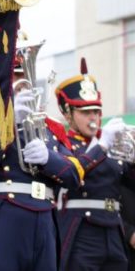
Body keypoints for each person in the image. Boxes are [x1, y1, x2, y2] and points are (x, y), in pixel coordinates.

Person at [0, 38, 91, 271]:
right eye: (12, 77)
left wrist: (48, 160)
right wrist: (8, 124)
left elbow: (74, 176)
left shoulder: (49, 127)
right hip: (4, 217)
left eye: (22, 77)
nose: (19, 85)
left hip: (45, 221)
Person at [56, 58, 134, 270]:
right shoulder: (62, 143)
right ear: (68, 114)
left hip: (114, 230)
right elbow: (71, 172)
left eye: (96, 112)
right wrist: (101, 146)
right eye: (85, 112)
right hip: (82, 230)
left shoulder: (112, 146)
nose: (94, 118)